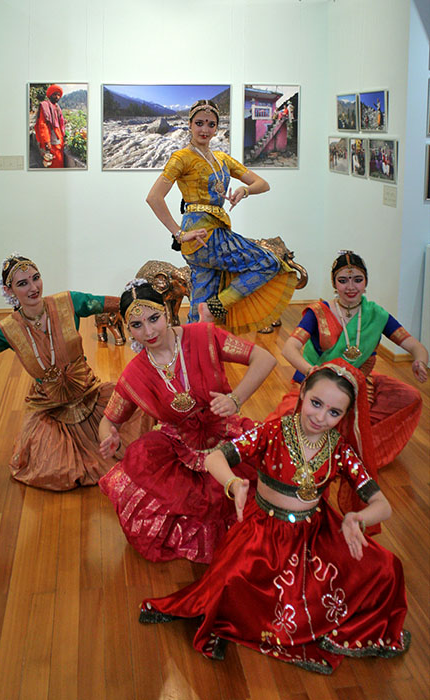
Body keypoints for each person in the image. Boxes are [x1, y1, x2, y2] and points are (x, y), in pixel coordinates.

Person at [139, 360, 410, 675]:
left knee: (387, 567)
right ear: (303, 393)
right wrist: (233, 483)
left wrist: (357, 519)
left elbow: (382, 504)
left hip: (315, 534)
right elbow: (215, 458)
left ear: (345, 415)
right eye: (316, 403)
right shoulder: (273, 432)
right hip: (264, 532)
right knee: (228, 584)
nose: (321, 417)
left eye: (334, 412)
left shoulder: (340, 449)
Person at [98, 280, 277, 563]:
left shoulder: (204, 336)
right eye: (137, 325)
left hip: (226, 438)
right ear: (128, 329)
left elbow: (264, 358)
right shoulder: (135, 374)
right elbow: (109, 420)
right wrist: (108, 437)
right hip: (179, 449)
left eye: (154, 318)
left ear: (167, 312)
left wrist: (236, 399)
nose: (149, 332)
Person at [0, 254, 148, 491]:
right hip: (50, 410)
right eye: (23, 283)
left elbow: (122, 304)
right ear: (9, 290)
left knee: (140, 412)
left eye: (36, 278)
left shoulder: (69, 302)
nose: (33, 288)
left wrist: (144, 301)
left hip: (91, 396)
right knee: (57, 471)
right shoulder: (7, 330)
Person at [146, 99, 297, 334]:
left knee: (200, 308)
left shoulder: (222, 159)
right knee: (268, 262)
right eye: (199, 123)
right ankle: (215, 307)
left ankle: (194, 346)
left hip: (212, 233)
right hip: (205, 234)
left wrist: (244, 190)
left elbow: (262, 184)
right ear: (189, 124)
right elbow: (154, 197)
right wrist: (179, 234)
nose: (205, 129)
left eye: (211, 124)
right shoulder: (181, 157)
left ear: (217, 127)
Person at [272, 251, 427, 469]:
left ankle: (353, 450)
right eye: (343, 280)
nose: (351, 287)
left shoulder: (376, 315)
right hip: (318, 382)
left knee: (409, 397)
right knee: (282, 424)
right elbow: (290, 348)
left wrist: (420, 360)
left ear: (366, 282)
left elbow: (414, 345)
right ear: (334, 284)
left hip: (357, 382)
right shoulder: (319, 312)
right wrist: (312, 371)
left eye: (357, 279)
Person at [34, 84, 66, 168]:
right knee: (55, 161)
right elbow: (42, 124)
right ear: (50, 95)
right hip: (51, 140)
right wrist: (47, 141)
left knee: (59, 160)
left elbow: (60, 123)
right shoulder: (45, 106)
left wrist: (63, 136)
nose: (57, 97)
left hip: (59, 138)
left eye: (58, 95)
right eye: (55, 94)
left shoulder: (57, 107)